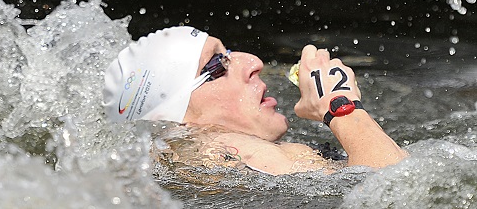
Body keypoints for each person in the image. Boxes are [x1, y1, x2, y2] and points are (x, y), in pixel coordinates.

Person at [103, 26, 409, 175]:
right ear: (177, 112)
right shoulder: (234, 155)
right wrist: (340, 106)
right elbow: (398, 189)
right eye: (216, 65)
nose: (253, 62)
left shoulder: (179, 155)